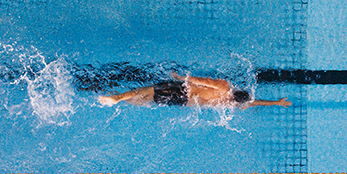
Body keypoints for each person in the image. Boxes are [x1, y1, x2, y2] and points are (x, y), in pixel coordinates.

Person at [98, 73, 292, 108]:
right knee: (146, 100)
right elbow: (251, 103)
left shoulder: (225, 87)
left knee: (146, 90)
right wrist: (275, 103)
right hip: (182, 102)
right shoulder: (228, 102)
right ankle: (121, 100)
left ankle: (117, 97)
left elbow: (202, 81)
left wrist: (182, 78)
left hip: (182, 90)